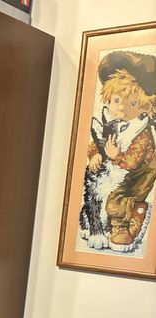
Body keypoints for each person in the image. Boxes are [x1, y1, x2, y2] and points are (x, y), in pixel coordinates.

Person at [84, 51, 156, 252]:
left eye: (133, 103)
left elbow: (132, 162)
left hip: (139, 170)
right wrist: (94, 154)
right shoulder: (110, 120)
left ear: (146, 105)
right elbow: (97, 141)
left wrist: (116, 157)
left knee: (119, 197)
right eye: (117, 100)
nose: (122, 109)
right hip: (116, 167)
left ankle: (124, 224)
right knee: (104, 191)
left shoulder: (141, 131)